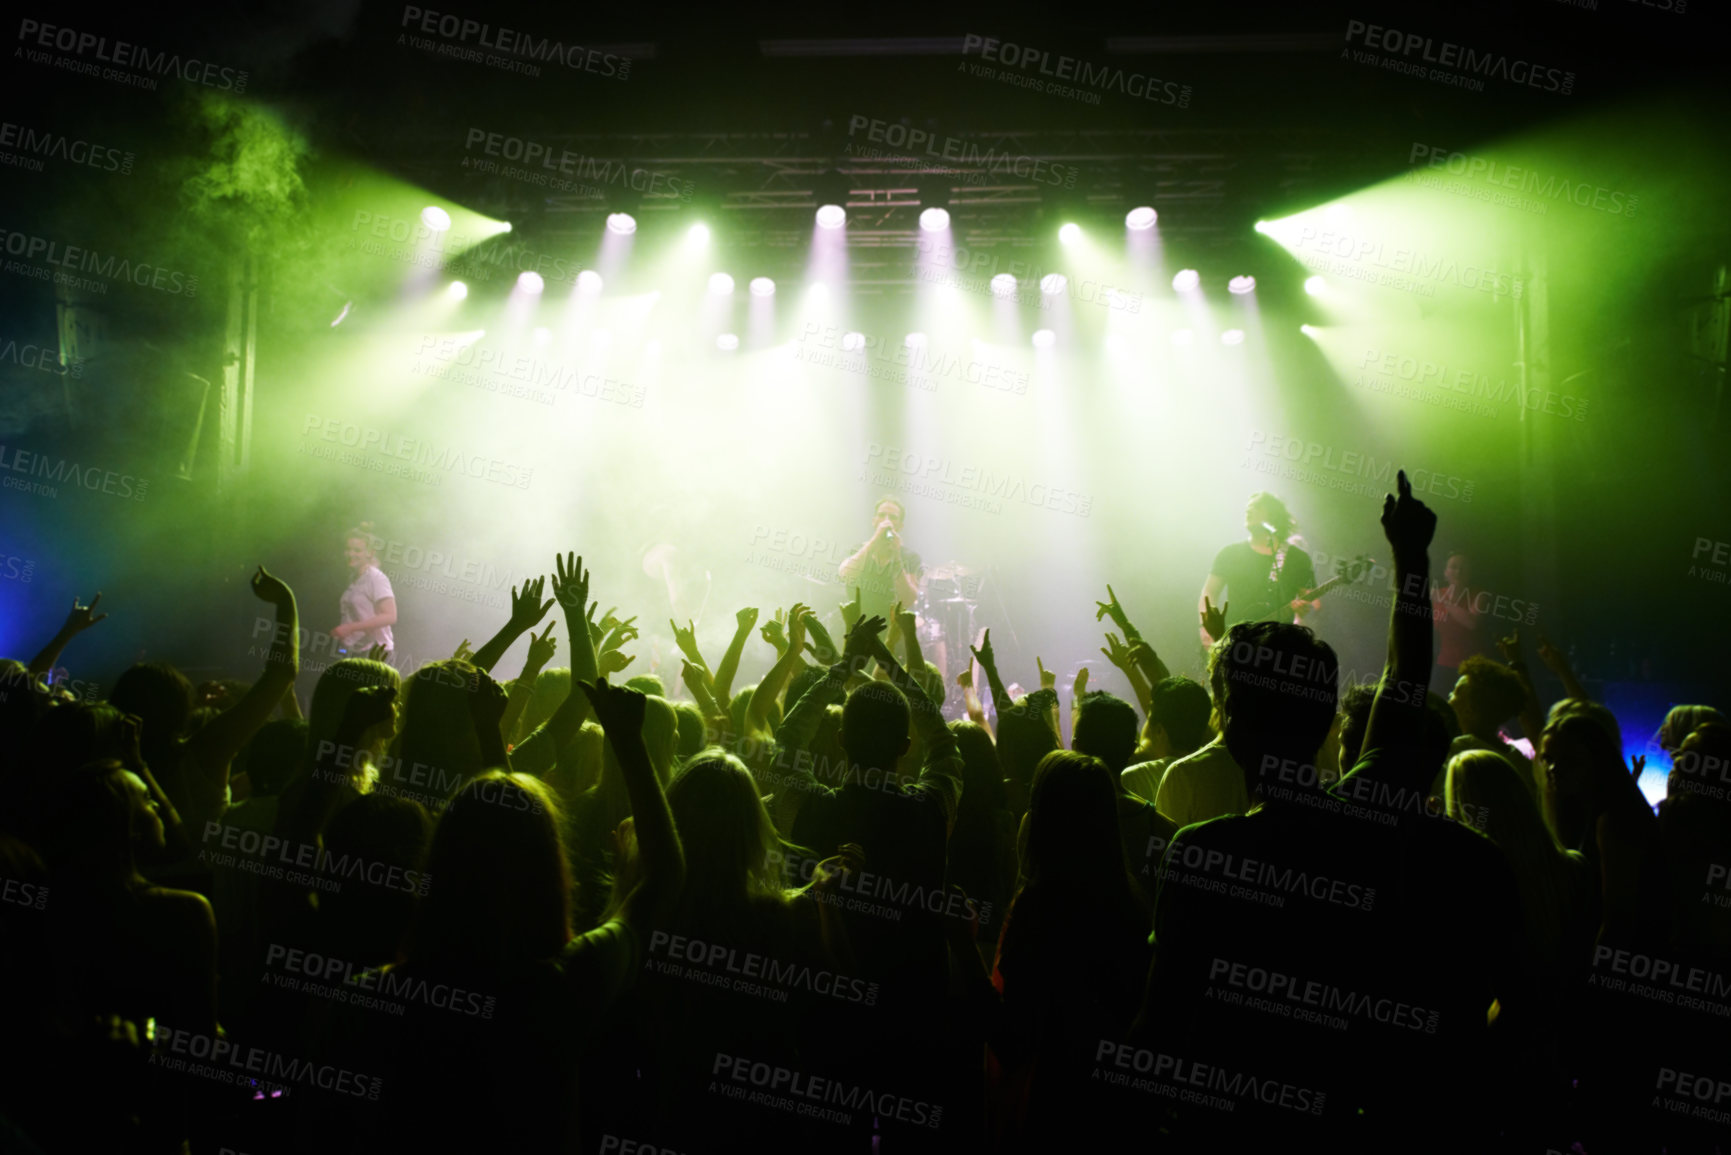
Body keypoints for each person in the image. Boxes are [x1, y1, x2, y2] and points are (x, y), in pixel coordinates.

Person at [1198, 492, 1319, 645]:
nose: (1248, 511)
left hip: (1279, 645)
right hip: (1234, 641)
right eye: (1248, 508)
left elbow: (1313, 604)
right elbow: (1209, 593)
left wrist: (1302, 612)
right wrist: (1205, 627)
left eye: (1256, 507)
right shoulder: (1230, 553)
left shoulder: (1298, 558)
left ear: (1273, 515)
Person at [837, 497, 922, 638]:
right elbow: (845, 574)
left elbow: (908, 600)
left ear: (900, 526)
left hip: (892, 632)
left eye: (893, 517)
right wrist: (874, 541)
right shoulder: (857, 550)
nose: (886, 521)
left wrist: (896, 556)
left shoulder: (909, 557)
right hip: (857, 628)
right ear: (874, 521)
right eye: (882, 515)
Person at [334, 524, 397, 661]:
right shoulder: (353, 578)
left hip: (377, 652)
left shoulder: (376, 578)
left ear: (370, 552)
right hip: (355, 650)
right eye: (348, 549)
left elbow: (390, 616)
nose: (351, 554)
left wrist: (350, 628)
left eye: (357, 550)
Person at [1430, 550, 1484, 691]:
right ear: (1445, 572)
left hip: (1471, 666)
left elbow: (1471, 623)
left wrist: (1444, 601)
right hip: (1443, 663)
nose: (1458, 572)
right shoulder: (1435, 594)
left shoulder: (1479, 595)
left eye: (1463, 568)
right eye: (1454, 567)